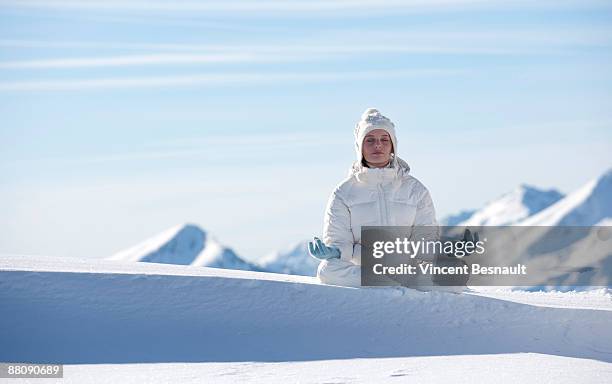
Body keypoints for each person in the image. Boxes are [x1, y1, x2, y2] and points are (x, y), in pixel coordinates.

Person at [307, 108, 441, 288]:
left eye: (384, 140)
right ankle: (393, 283)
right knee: (328, 271)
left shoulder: (415, 189)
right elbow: (340, 241)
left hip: (407, 268)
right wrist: (335, 251)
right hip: (365, 268)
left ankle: (392, 281)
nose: (378, 145)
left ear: (393, 145)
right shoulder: (344, 192)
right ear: (359, 147)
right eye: (369, 140)